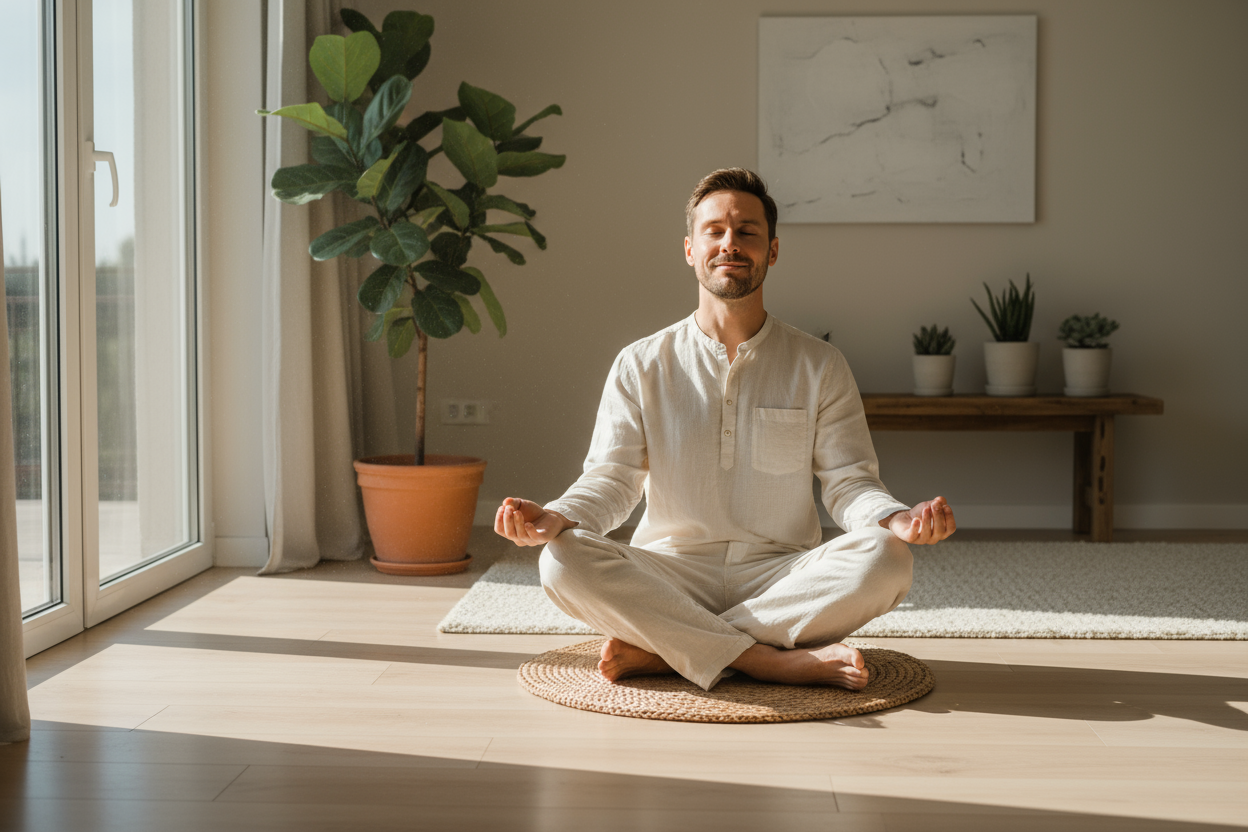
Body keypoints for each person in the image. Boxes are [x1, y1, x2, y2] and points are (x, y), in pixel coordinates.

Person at [495, 168, 956, 692]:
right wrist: (556, 516)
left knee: (888, 559)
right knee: (561, 560)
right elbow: (612, 479)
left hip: (781, 576)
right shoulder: (640, 364)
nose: (730, 243)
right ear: (690, 249)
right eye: (714, 230)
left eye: (747, 232)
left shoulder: (820, 364)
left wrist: (896, 519)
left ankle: (673, 650)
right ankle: (766, 660)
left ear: (773, 251)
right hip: (668, 576)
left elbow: (849, 481)